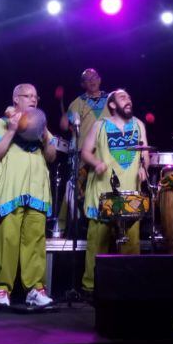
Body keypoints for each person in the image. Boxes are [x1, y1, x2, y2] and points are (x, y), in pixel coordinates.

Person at [0, 84, 56, 308]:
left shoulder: (41, 126)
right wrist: (12, 130)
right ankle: (2, 290)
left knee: (35, 241)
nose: (33, 99)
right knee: (7, 239)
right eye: (28, 95)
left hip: (36, 189)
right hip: (10, 190)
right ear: (16, 99)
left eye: (36, 96)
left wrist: (44, 135)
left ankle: (35, 289)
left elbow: (52, 156)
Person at [80, 89, 148, 292]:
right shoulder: (100, 126)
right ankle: (91, 287)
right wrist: (96, 162)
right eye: (122, 97)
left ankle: (129, 287)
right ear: (112, 104)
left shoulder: (139, 125)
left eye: (129, 96)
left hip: (130, 195)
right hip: (103, 193)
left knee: (130, 245)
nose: (128, 100)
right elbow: (85, 151)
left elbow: (145, 154)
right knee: (97, 245)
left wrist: (144, 169)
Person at [57, 68, 111, 231]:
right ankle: (64, 225)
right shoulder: (77, 102)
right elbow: (65, 126)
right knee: (76, 189)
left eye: (94, 77)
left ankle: (106, 223)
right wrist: (66, 118)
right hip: (83, 153)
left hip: (107, 153)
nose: (92, 81)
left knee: (105, 188)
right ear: (82, 84)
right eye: (87, 79)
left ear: (100, 79)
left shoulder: (111, 99)